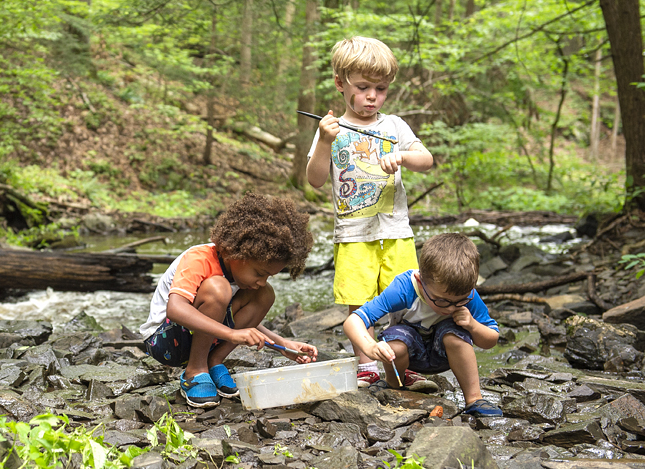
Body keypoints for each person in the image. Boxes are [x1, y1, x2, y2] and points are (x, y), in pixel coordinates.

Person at [306, 36, 435, 389]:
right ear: (340, 83)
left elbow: (427, 160)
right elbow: (315, 180)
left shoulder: (394, 126)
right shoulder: (329, 130)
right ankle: (365, 363)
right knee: (358, 301)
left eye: (380, 88)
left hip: (396, 232)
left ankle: (399, 359)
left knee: (404, 301)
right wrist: (325, 142)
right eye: (362, 87)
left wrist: (404, 156)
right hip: (353, 235)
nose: (372, 96)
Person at [139, 193, 318, 408]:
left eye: (269, 276)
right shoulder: (199, 258)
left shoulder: (243, 277)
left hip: (200, 335)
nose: (262, 281)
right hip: (164, 341)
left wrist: (281, 344)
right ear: (237, 253)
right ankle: (194, 371)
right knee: (218, 289)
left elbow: (231, 317)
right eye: (260, 273)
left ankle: (213, 362)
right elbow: (176, 309)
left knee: (265, 294)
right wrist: (232, 334)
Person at [342, 233, 503, 417]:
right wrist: (369, 347)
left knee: (454, 334)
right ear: (420, 281)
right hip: (409, 357)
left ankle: (474, 398)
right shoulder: (404, 288)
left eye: (459, 301)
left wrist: (473, 325)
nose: (451, 308)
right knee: (396, 339)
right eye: (442, 301)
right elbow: (353, 321)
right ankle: (394, 384)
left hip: (445, 355)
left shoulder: (469, 295)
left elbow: (491, 340)